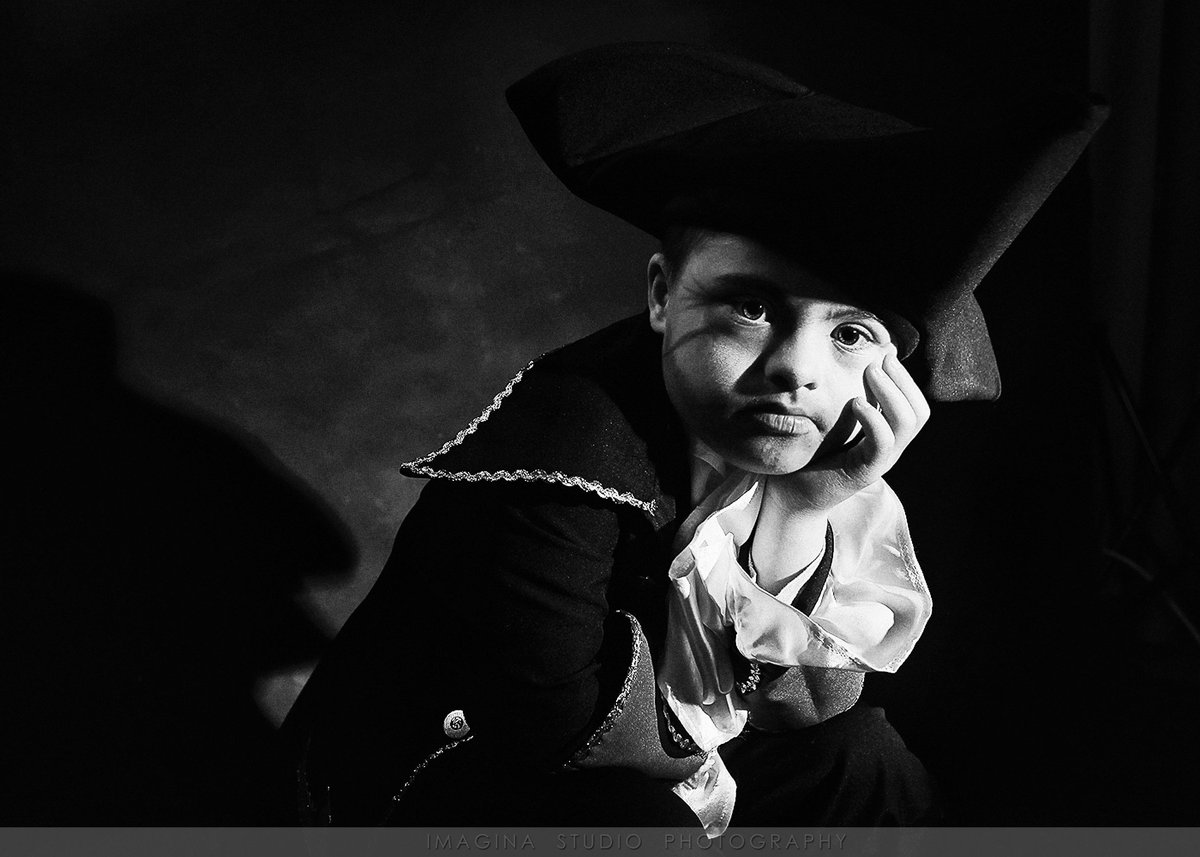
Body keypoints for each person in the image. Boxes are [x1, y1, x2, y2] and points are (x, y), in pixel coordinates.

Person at [279, 42, 1106, 830]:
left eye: (849, 334)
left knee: (862, 759)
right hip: (442, 778)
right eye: (751, 307)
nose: (797, 371)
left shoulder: (808, 451)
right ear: (661, 296)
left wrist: (810, 506)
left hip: (659, 759)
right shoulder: (563, 458)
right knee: (643, 825)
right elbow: (574, 743)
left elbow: (807, 713)